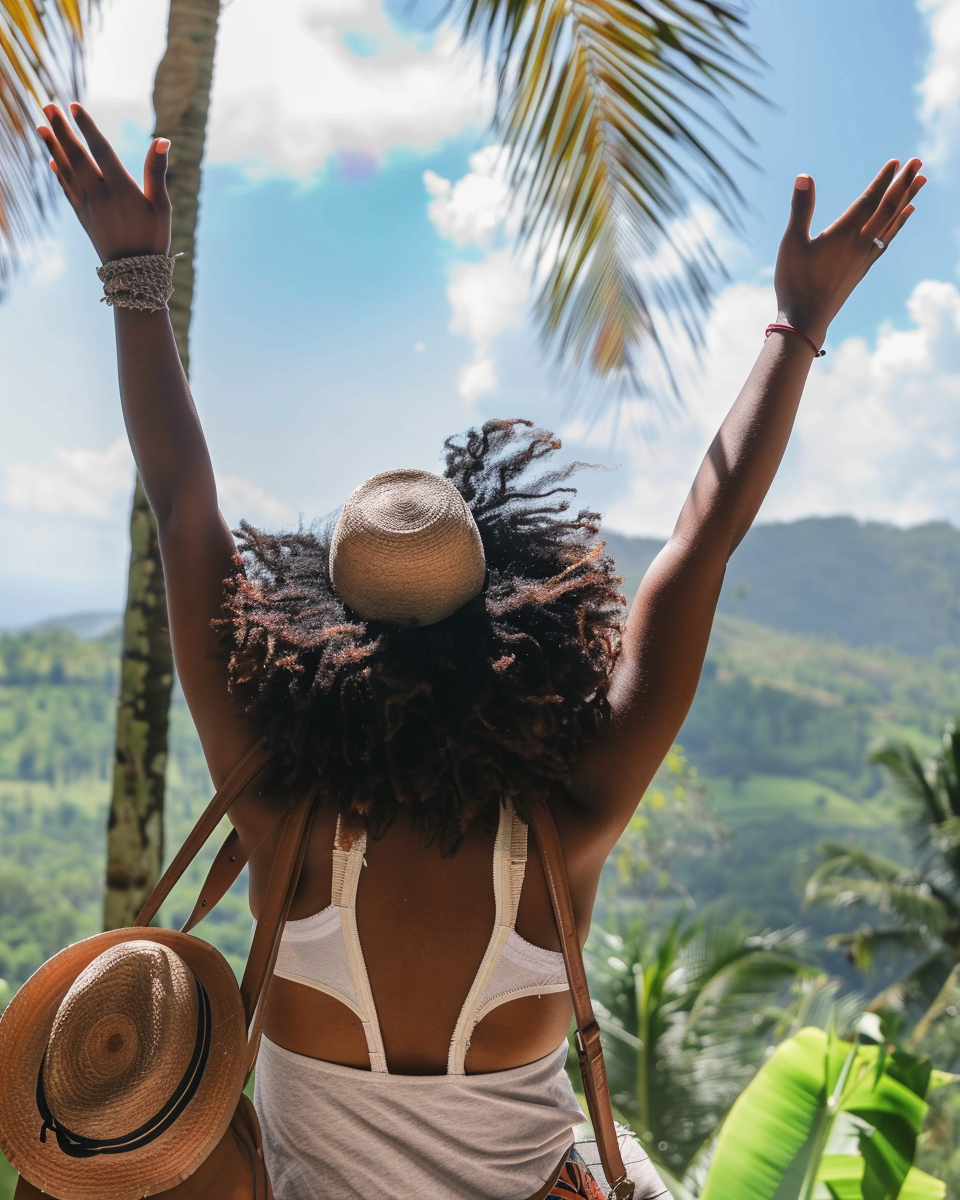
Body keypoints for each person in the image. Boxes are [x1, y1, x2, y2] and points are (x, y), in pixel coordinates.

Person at [35, 103, 923, 1200]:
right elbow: (704, 539)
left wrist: (133, 274)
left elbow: (182, 509)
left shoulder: (275, 805)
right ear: (509, 632)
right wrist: (797, 321)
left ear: (321, 640)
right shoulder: (567, 828)